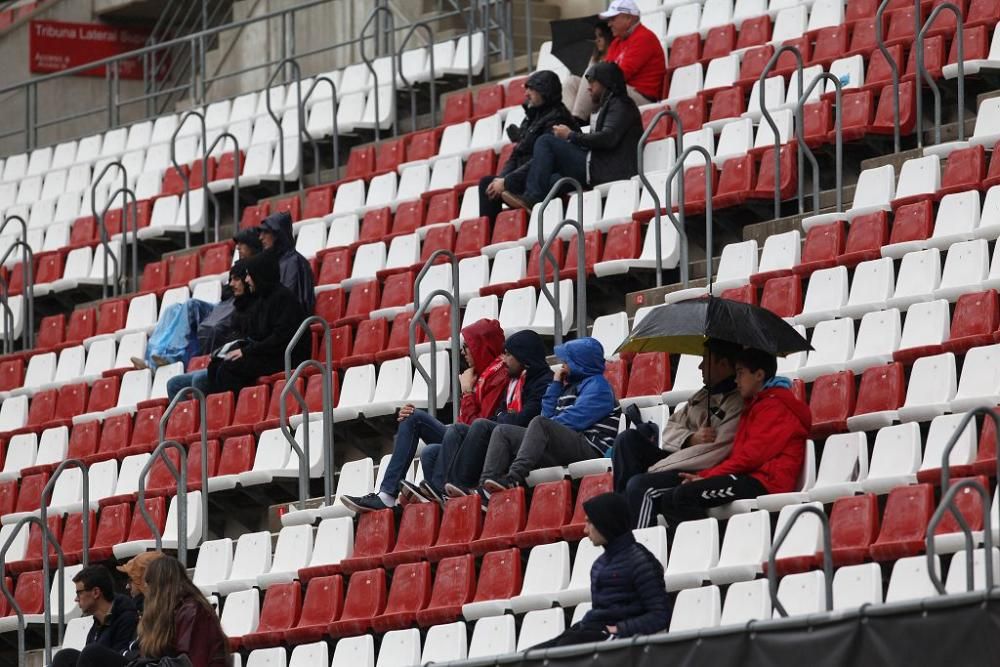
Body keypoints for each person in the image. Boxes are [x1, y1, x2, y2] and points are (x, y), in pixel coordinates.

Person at [341, 318, 509, 513]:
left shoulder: (499, 376)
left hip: (481, 450)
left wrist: (467, 392)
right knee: (413, 419)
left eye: (468, 345)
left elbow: (476, 429)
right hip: (466, 442)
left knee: (426, 437)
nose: (463, 351)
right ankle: (387, 495)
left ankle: (425, 491)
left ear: (483, 346)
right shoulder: (478, 376)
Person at [655, 347, 812, 532]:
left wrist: (705, 476)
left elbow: (750, 457)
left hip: (766, 484)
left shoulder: (776, 407)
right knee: (669, 499)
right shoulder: (756, 404)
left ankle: (712, 549)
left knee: (683, 496)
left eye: (740, 373)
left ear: (759, 375)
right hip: (749, 478)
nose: (736, 380)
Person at [614, 339, 744, 528]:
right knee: (627, 440)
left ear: (723, 364)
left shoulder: (738, 402)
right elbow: (668, 431)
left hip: (696, 469)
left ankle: (639, 546)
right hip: (676, 459)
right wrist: (691, 438)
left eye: (705, 360)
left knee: (639, 485)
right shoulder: (700, 396)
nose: (700, 366)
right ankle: (622, 507)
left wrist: (659, 467)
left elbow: (716, 451)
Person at [416, 329, 554, 500]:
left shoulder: (543, 382)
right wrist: (503, 414)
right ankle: (439, 499)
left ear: (524, 357)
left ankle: (458, 487)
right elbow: (499, 415)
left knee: (477, 425)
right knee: (431, 451)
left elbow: (523, 419)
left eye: (509, 355)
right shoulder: (514, 382)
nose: (504, 360)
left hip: (521, 442)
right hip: (499, 435)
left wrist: (471, 396)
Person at [477, 337, 620, 494]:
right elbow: (546, 414)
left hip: (590, 447)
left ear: (580, 363)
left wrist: (545, 427)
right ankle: (485, 489)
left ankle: (513, 478)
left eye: (568, 360)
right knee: (503, 432)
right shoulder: (568, 386)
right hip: (568, 443)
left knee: (540, 424)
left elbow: (572, 421)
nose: (563, 365)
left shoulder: (599, 387)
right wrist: (556, 384)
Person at [532, 493, 671, 648]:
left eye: (589, 523)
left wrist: (618, 629)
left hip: (617, 640)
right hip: (593, 628)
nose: (585, 530)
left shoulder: (641, 562)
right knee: (530, 655)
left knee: (558, 653)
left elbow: (660, 615)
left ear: (606, 523)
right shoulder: (600, 564)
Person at [501, 61, 642, 211]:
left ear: (606, 83)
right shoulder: (608, 106)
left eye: (593, 83)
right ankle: (530, 213)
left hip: (608, 170)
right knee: (553, 180)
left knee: (546, 142)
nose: (588, 87)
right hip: (597, 165)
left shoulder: (621, 104)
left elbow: (608, 138)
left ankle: (532, 198)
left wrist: (571, 135)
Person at [132, 228, 263, 372]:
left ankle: (172, 355)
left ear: (252, 245)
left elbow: (239, 292)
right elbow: (225, 292)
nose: (238, 248)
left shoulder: (258, 266)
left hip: (233, 308)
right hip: (221, 306)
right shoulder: (239, 264)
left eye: (242, 244)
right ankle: (150, 358)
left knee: (191, 304)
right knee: (172, 309)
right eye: (237, 244)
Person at [479, 70, 579, 223]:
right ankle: (489, 236)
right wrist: (502, 178)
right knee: (488, 184)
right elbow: (517, 153)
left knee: (549, 181)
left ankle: (528, 210)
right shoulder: (532, 117)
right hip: (526, 175)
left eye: (531, 89)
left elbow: (541, 160)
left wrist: (508, 182)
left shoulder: (558, 118)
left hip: (546, 175)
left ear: (545, 91)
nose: (526, 94)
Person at [206, 251, 309, 396]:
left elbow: (279, 339)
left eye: (249, 275)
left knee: (229, 367)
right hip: (267, 352)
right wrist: (238, 348)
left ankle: (237, 412)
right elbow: (257, 335)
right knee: (215, 365)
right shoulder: (262, 299)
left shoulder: (283, 298)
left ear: (260, 275)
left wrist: (246, 351)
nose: (247, 280)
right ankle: (218, 412)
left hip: (284, 356)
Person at [165, 260, 255, 401]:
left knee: (199, 380)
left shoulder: (254, 306)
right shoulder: (235, 307)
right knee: (173, 384)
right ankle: (185, 422)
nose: (231, 284)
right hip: (224, 360)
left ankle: (203, 421)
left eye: (236, 279)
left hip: (241, 362)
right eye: (230, 280)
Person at [135, 556, 228, 667]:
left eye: (149, 584)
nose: (146, 590)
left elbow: (191, 662)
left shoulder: (193, 612)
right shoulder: (169, 613)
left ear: (158, 587)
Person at [50, 566, 139, 667]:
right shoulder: (97, 622)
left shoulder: (127, 617)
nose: (76, 599)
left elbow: (119, 658)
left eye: (79, 593)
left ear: (96, 592)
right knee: (64, 657)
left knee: (91, 653)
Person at [258, 210, 316, 314]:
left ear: (278, 234)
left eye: (266, 232)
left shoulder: (294, 262)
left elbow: (287, 300)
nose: (260, 237)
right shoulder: (274, 262)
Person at [570, 21, 614, 124]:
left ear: (609, 37)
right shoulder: (595, 57)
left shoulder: (615, 52)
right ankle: (564, 119)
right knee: (571, 81)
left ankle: (578, 120)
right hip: (593, 89)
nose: (597, 40)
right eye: (595, 37)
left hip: (605, 86)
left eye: (601, 36)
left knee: (591, 74)